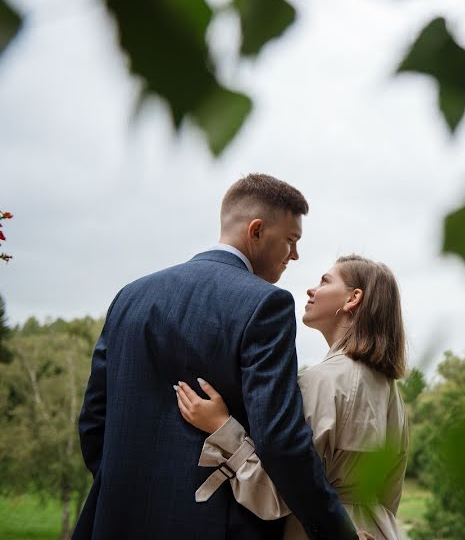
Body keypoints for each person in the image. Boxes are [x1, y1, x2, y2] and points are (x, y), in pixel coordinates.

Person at [74, 174, 364, 540]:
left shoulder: (130, 297)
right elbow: (281, 440)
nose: (295, 255)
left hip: (114, 522)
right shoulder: (266, 305)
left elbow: (93, 422)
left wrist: (126, 491)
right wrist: (336, 532)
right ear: (256, 231)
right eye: (291, 241)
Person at [175, 255, 409, 540]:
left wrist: (222, 427)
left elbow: (276, 495)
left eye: (325, 281)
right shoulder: (390, 389)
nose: (312, 290)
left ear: (353, 298)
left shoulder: (320, 381)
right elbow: (391, 493)